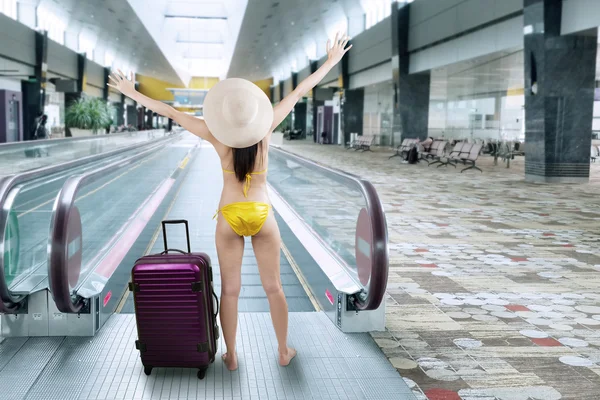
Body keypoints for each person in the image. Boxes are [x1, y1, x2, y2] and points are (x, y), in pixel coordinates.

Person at [108, 32, 352, 371]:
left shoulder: (215, 133)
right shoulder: (266, 129)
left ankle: (232, 355)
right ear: (256, 113)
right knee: (274, 288)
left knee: (231, 290)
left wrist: (132, 92)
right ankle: (283, 351)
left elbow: (170, 111)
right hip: (262, 213)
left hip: (229, 215)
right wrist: (330, 61)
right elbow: (299, 91)